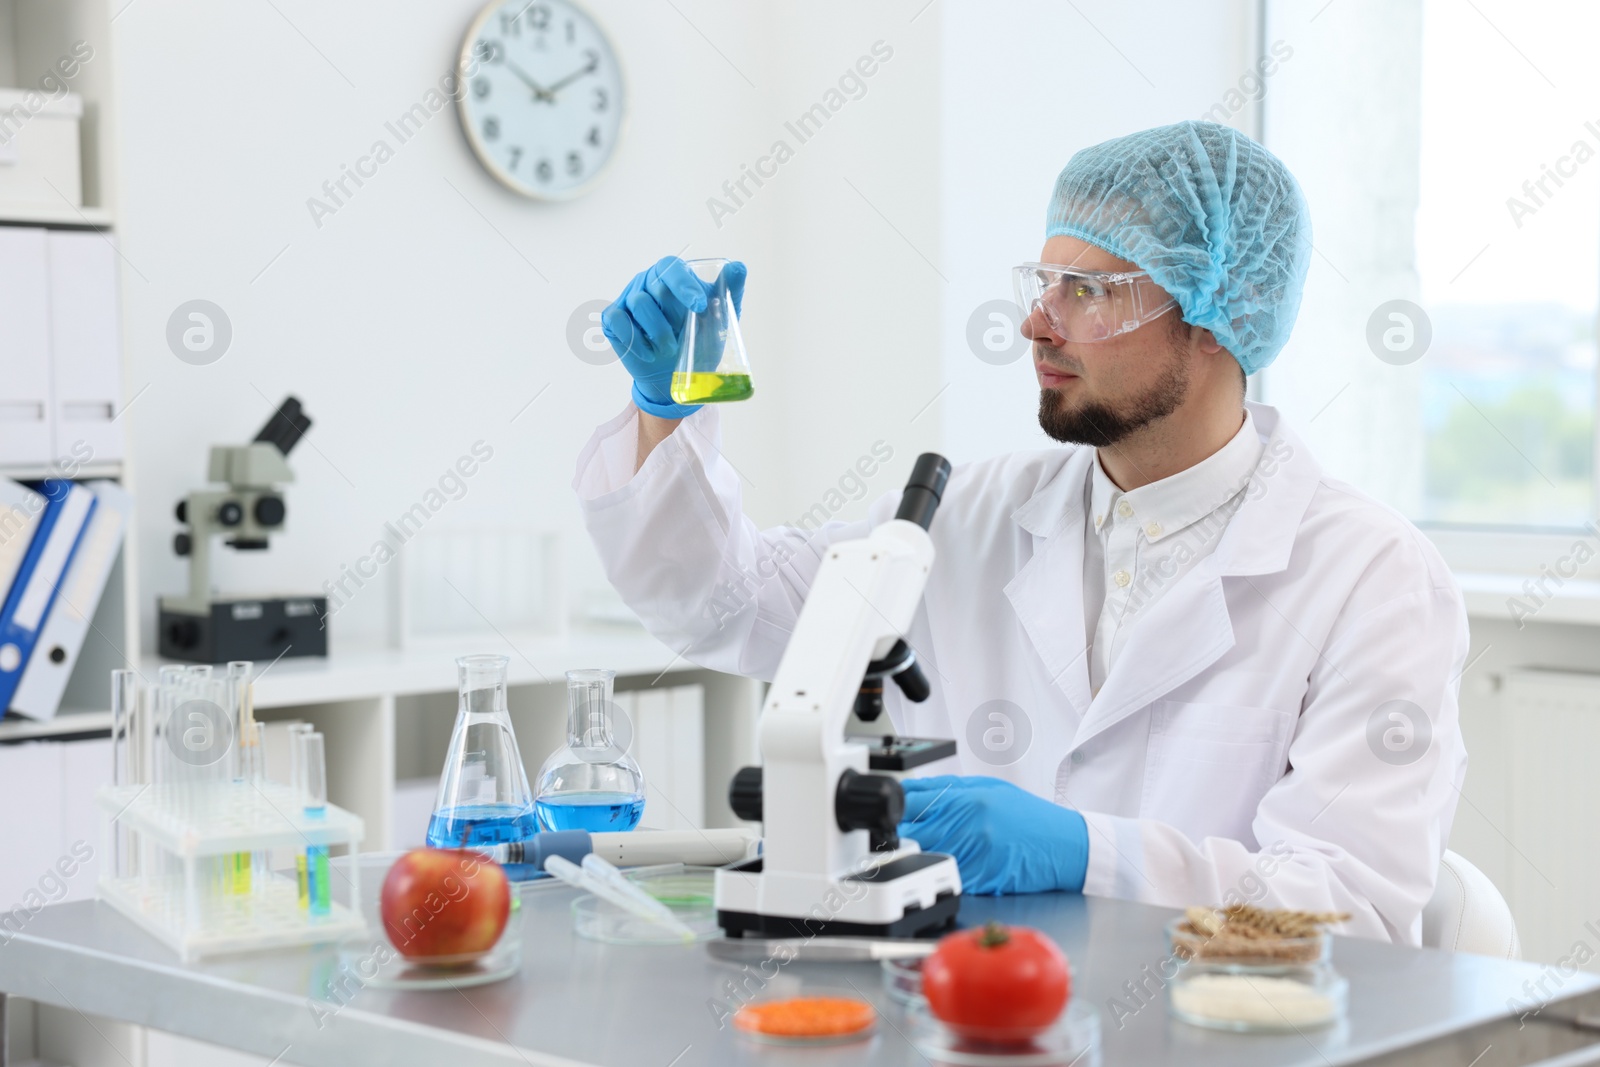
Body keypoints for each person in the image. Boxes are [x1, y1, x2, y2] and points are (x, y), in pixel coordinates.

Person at [572, 120, 1467, 944]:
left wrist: (1089, 854)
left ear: (1215, 318)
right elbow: (722, 604)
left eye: (1089, 292)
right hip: (973, 1016)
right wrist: (669, 409)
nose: (1038, 322)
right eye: (1043, 284)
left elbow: (1350, 911)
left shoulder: (1371, 575)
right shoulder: (969, 514)